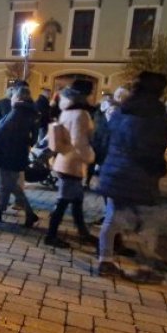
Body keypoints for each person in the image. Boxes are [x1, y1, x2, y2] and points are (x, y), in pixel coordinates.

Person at [97, 71, 167, 280]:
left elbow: (105, 138)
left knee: (112, 219)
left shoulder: (121, 111)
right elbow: (155, 147)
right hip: (141, 175)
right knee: (149, 222)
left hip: (114, 174)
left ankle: (105, 261)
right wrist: (159, 168)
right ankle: (145, 268)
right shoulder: (158, 116)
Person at [45, 87, 97, 247]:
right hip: (73, 163)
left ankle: (82, 232)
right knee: (64, 200)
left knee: (76, 199)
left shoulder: (66, 112)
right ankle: (51, 235)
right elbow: (78, 141)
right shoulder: (80, 114)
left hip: (65, 159)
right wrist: (90, 157)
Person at [0, 86, 39, 228]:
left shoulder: (18, 111)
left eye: (13, 96)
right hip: (17, 153)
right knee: (9, 185)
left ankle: (29, 213)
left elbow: (2, 129)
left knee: (8, 184)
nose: (11, 99)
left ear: (19, 98)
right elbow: (34, 136)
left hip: (7, 153)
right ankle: (0, 211)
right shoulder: (30, 112)